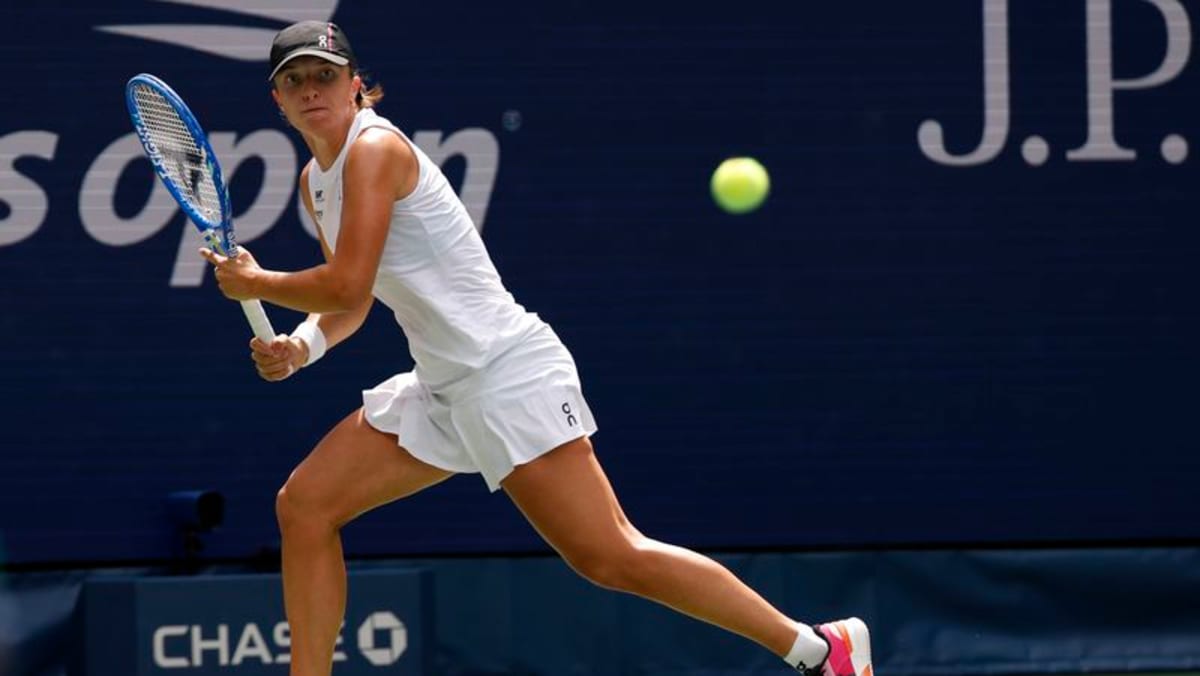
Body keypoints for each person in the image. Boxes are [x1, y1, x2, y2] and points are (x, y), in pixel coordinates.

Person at [200, 20, 874, 676]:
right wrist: (301, 347)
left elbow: (344, 282)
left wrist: (256, 282)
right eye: (296, 81)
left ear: (356, 86)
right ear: (278, 100)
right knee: (306, 505)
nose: (312, 89)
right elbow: (354, 302)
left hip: (504, 373)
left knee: (611, 557)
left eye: (326, 75)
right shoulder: (317, 184)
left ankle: (819, 650)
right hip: (443, 388)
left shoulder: (376, 151)